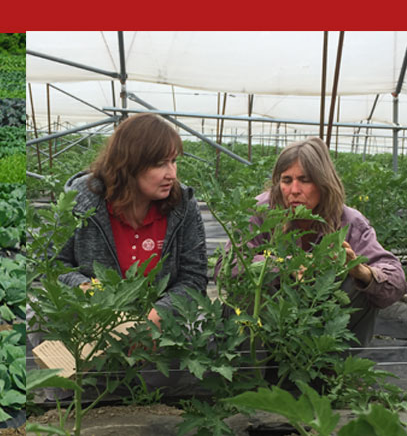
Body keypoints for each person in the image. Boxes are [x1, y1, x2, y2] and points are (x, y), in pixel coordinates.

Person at [240, 137, 406, 347]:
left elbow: (396, 280)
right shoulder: (261, 211)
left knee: (367, 285)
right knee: (245, 285)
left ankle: (333, 371)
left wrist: (360, 272)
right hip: (269, 327)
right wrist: (283, 265)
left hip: (323, 327)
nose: (294, 190)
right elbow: (227, 265)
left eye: (305, 180)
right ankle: (254, 370)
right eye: (286, 180)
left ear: (323, 183)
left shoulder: (349, 221)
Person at [55, 113, 209, 323]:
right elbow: (54, 264)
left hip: (161, 326)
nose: (172, 174)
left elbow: (194, 277)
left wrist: (158, 314)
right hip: (91, 320)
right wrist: (90, 291)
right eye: (160, 164)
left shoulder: (182, 205)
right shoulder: (81, 200)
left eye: (173, 161)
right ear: (129, 164)